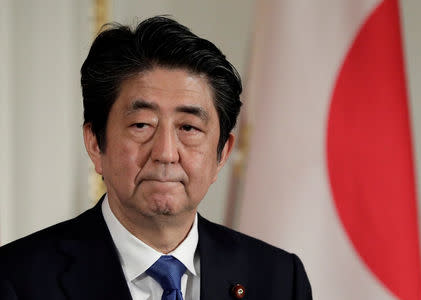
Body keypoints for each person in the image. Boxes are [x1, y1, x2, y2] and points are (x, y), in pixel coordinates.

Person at [0, 16, 312, 300]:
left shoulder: (280, 280)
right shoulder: (15, 280)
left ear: (222, 154)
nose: (165, 153)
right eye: (141, 125)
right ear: (96, 143)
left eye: (188, 127)